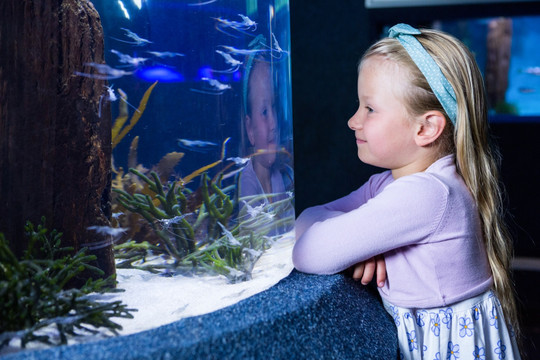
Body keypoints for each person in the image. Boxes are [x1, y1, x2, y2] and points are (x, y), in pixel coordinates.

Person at [292, 24, 521, 359]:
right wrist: (363, 245)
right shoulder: (390, 183)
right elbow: (308, 220)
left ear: (426, 128)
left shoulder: (427, 195)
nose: (353, 121)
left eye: (369, 108)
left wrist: (351, 241)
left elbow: (308, 250)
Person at [238, 49, 294, 234]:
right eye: (264, 112)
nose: (274, 124)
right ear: (249, 129)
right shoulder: (247, 183)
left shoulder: (284, 175)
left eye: (274, 108)